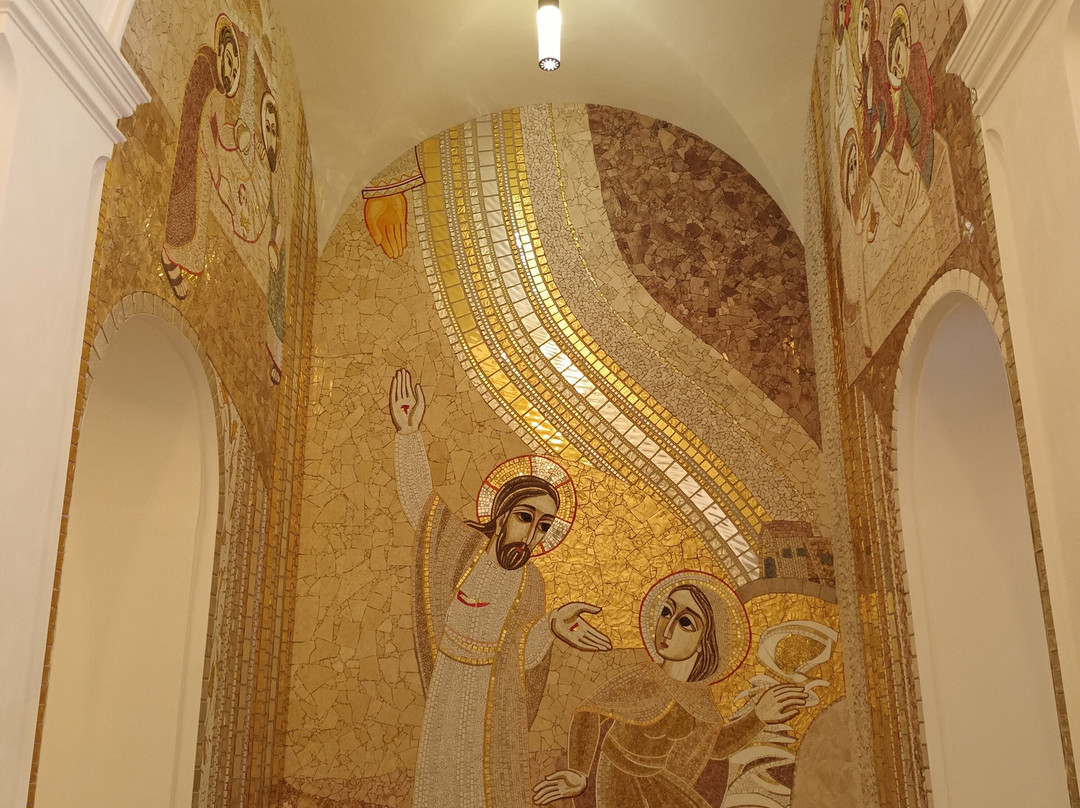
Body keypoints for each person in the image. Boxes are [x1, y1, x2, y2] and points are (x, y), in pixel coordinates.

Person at [389, 368, 613, 808]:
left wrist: (551, 625)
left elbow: (522, 657)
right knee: (439, 782)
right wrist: (408, 433)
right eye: (526, 517)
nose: (532, 534)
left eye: (543, 526)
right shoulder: (462, 548)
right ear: (503, 514)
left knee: (480, 788)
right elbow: (422, 507)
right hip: (448, 685)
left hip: (491, 704)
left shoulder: (531, 584)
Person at [533, 571, 808, 808]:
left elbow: (714, 747)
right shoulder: (643, 678)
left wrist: (758, 716)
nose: (667, 629)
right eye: (666, 612)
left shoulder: (699, 698)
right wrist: (578, 772)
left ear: (704, 641)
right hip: (618, 784)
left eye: (685, 622)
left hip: (664, 788)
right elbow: (588, 715)